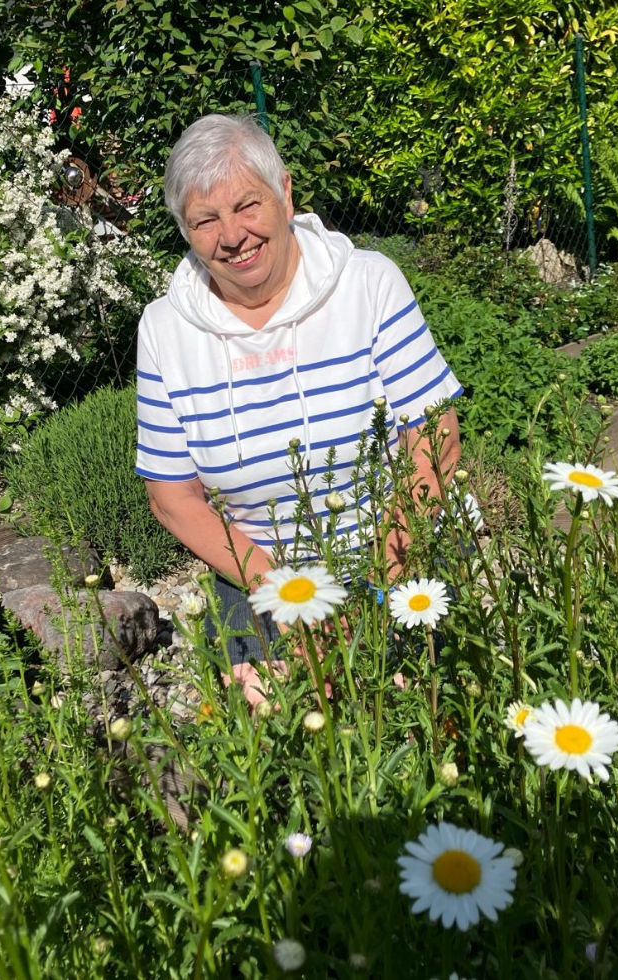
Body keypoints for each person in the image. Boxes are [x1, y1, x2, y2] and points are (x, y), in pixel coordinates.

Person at [135, 114, 462, 702]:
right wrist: (286, 594)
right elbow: (172, 499)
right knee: (273, 716)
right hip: (258, 561)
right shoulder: (164, 329)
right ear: (185, 230)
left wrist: (376, 590)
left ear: (285, 193)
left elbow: (434, 442)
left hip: (390, 545)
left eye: (247, 206)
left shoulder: (369, 284)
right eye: (206, 220)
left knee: (411, 701)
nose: (232, 236)